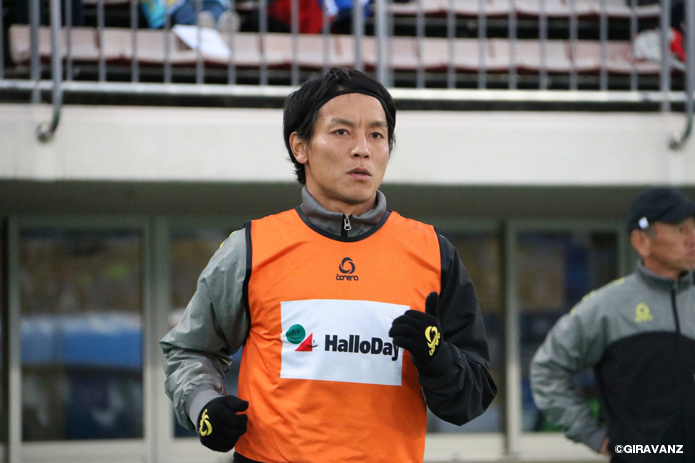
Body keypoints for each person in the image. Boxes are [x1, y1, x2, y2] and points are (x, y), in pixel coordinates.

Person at [160, 67, 497, 463]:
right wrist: (203, 406)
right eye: (342, 132)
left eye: (377, 135)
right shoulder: (250, 247)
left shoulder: (434, 252)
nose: (362, 149)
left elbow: (472, 398)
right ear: (300, 147)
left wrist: (438, 358)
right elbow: (190, 350)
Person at [530, 187, 695, 462]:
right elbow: (547, 370)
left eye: (694, 227)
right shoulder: (606, 308)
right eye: (680, 229)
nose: (693, 238)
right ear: (642, 240)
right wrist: (593, 435)